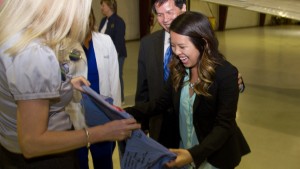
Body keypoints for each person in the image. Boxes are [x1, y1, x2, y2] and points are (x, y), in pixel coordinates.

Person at [0, 0, 140, 168]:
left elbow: (26, 87)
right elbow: (31, 143)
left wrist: (66, 82)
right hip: (47, 158)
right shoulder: (35, 54)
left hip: (9, 151)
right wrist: (101, 133)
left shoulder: (15, 36)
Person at [126, 11, 250, 169]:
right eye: (173, 45)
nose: (176, 52)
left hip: (213, 159)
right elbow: (160, 103)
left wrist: (193, 155)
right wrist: (127, 112)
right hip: (184, 154)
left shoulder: (226, 74)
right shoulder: (179, 69)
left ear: (203, 43)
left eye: (182, 46)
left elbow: (224, 126)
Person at [75, 9, 121, 169]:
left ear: (91, 18)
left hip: (102, 116)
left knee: (104, 162)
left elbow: (114, 81)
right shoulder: (66, 47)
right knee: (79, 162)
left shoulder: (105, 41)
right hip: (76, 119)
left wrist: (117, 116)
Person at [99, 0, 127, 104]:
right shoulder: (103, 21)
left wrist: (113, 58)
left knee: (117, 76)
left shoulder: (119, 22)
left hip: (117, 55)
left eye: (103, 5)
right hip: (105, 56)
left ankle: (121, 98)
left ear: (110, 6)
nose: (101, 8)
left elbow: (119, 43)